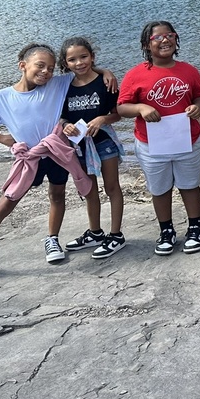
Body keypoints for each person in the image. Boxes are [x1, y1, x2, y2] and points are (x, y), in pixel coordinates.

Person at [0, 43, 105, 286]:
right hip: (29, 157)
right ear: (23, 65)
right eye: (40, 66)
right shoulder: (2, 98)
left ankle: (52, 239)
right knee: (7, 202)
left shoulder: (57, 85)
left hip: (56, 152)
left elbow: (83, 69)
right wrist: (2, 138)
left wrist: (105, 72)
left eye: (50, 68)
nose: (46, 72)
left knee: (58, 195)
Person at [116, 21, 200, 256]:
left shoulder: (189, 70)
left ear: (176, 40)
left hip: (186, 138)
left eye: (169, 35)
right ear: (147, 44)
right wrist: (140, 108)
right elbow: (121, 108)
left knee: (189, 185)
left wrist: (197, 108)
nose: (164, 40)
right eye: (157, 37)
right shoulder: (136, 74)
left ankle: (195, 228)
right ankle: (166, 231)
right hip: (151, 143)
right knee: (160, 189)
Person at [59, 37, 127, 260]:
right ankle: (96, 233)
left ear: (92, 57)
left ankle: (116, 235)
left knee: (112, 187)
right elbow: (59, 117)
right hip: (79, 145)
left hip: (104, 142)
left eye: (84, 57)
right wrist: (65, 125)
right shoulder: (64, 87)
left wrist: (103, 119)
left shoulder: (104, 82)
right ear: (65, 63)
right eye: (72, 59)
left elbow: (118, 112)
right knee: (89, 190)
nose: (79, 63)